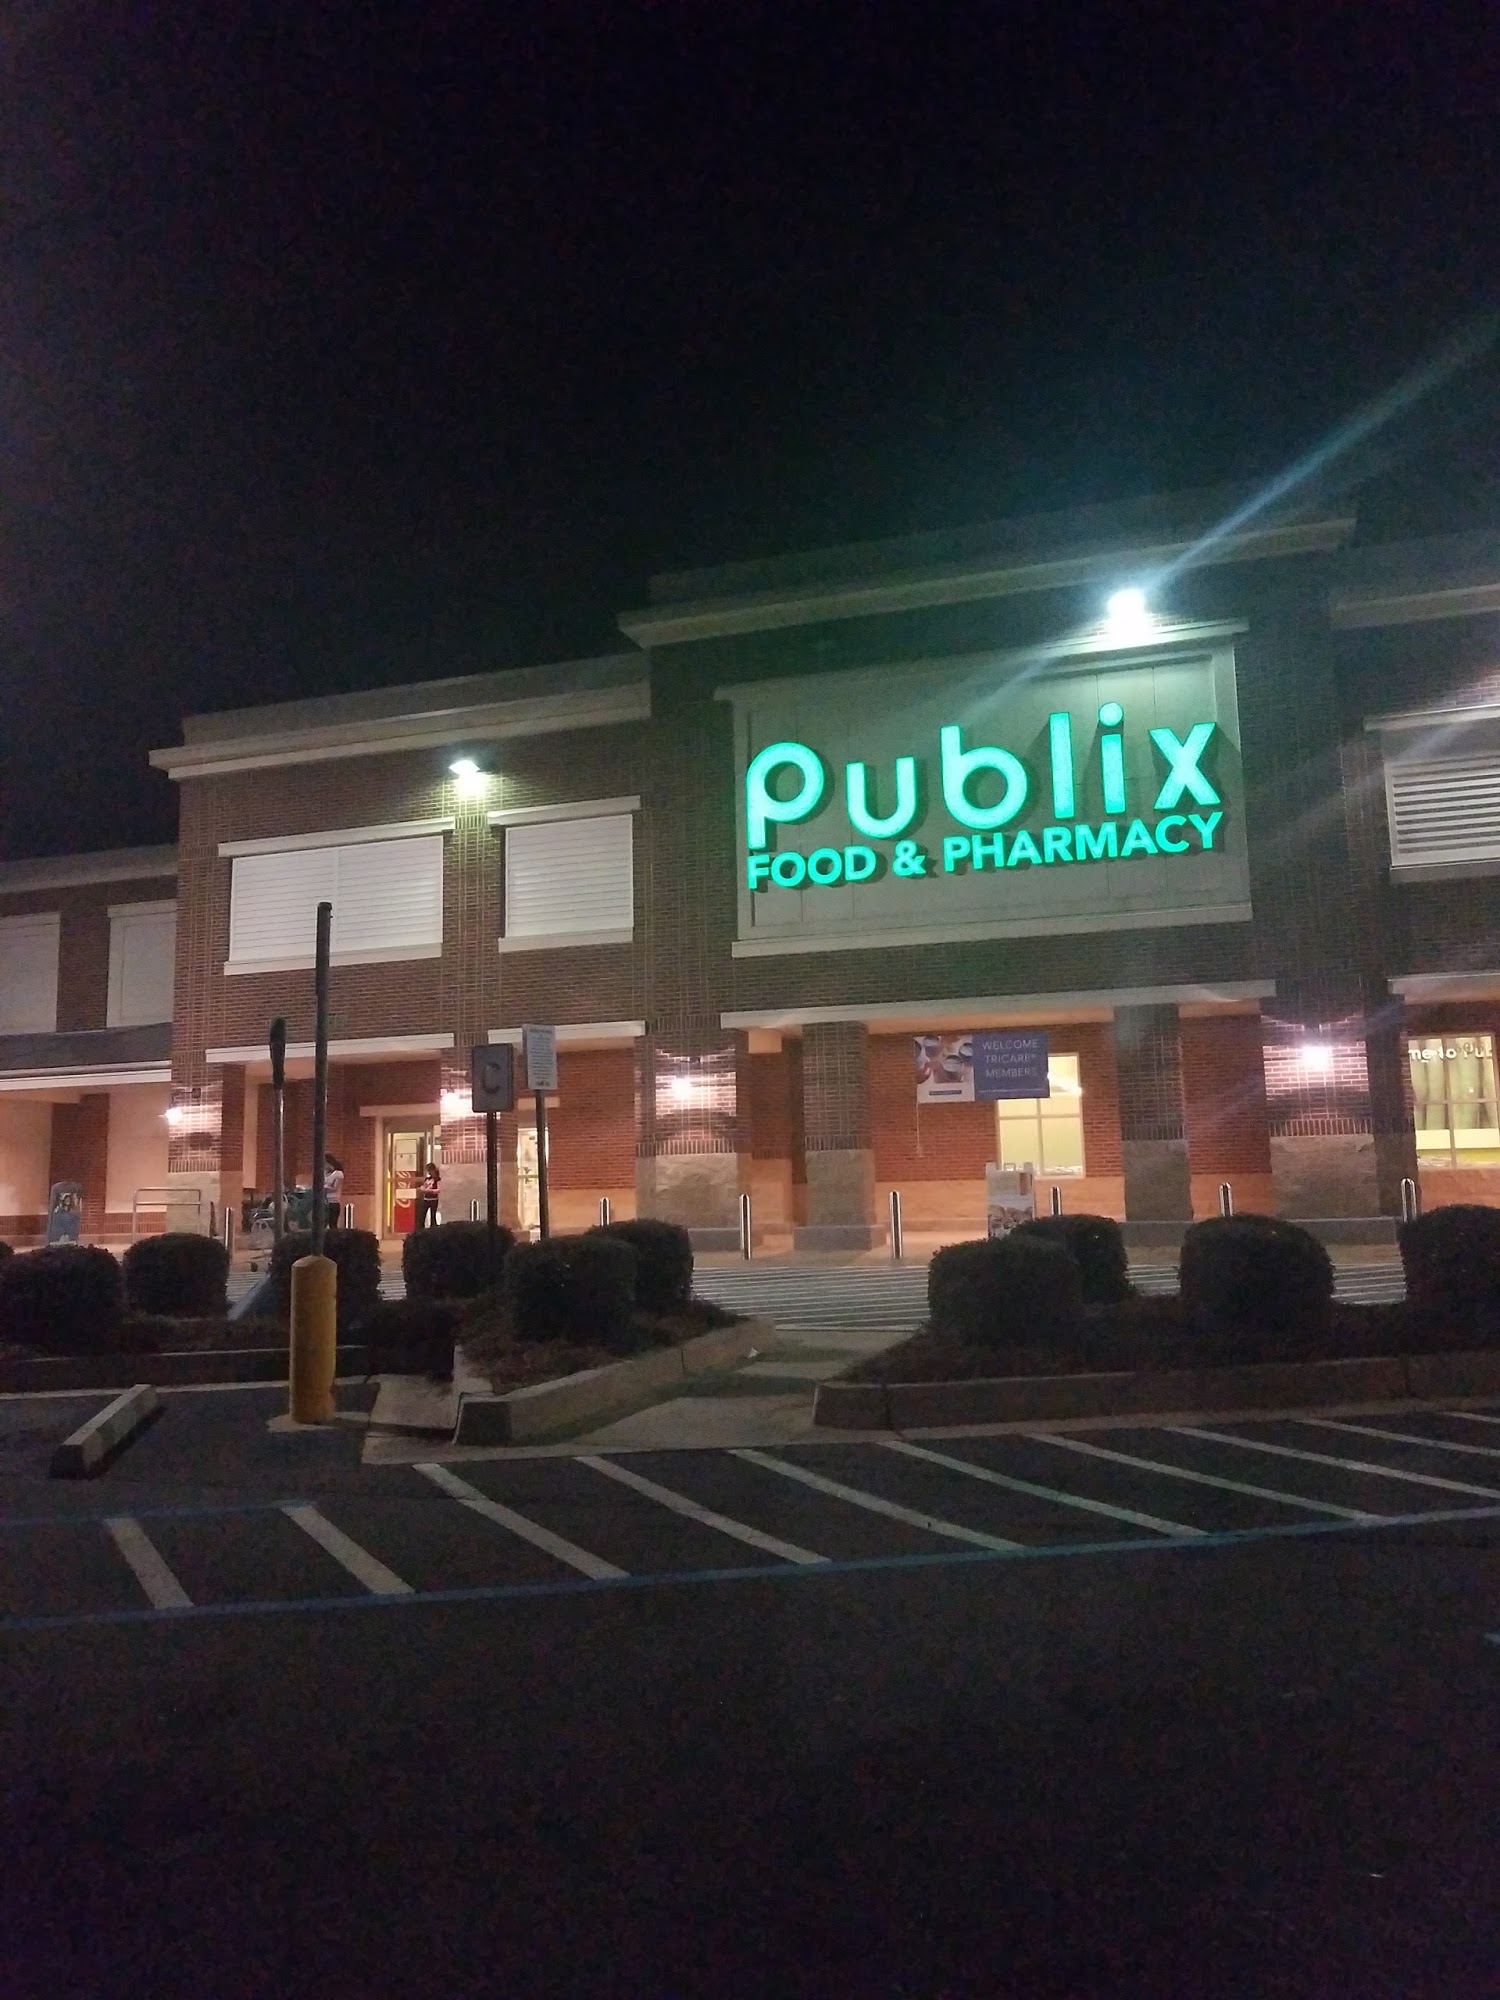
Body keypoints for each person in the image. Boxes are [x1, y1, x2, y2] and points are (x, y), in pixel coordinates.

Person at [322, 1153, 345, 1230]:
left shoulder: (338, 1173)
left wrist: (324, 1188)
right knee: (323, 1224)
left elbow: (335, 1187)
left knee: (332, 1224)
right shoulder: (325, 1173)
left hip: (333, 1201)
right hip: (325, 1201)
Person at [416, 1160, 441, 1229]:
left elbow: (438, 1190)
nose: (429, 1172)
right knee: (422, 1215)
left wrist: (430, 1191)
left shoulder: (437, 1180)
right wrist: (421, 1189)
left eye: (430, 1171)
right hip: (426, 1199)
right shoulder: (427, 1179)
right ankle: (421, 1229)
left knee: (433, 1216)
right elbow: (424, 1186)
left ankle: (433, 1228)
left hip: (433, 1199)